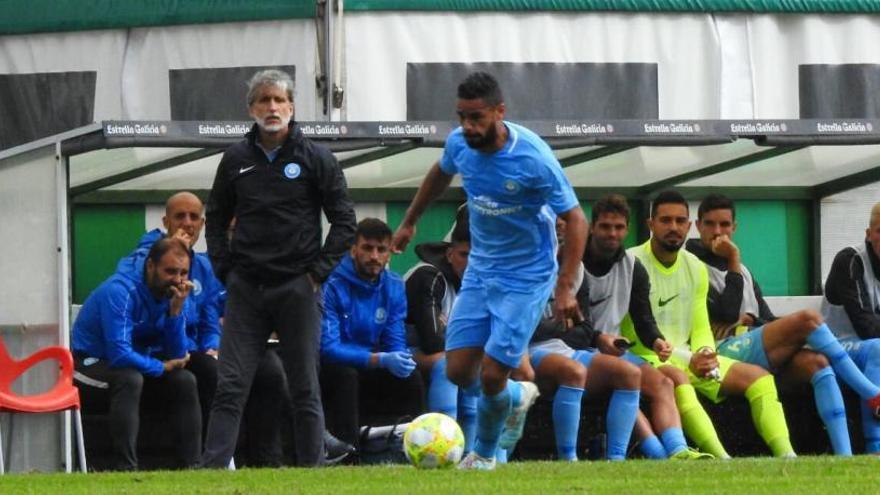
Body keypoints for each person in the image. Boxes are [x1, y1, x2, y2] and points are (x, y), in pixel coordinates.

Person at [391, 71, 588, 470]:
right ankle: (516, 397)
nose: (467, 126)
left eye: (476, 117)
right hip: (482, 268)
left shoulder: (532, 157)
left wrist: (565, 287)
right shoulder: (459, 144)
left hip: (527, 276)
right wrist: (411, 220)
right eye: (461, 116)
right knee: (460, 371)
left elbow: (577, 219)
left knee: (495, 373)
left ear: (500, 112)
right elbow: (440, 171)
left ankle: (482, 454)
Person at [201, 69, 357, 468]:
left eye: (279, 100)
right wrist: (224, 269)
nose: (271, 108)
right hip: (247, 289)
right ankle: (212, 469)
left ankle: (311, 470)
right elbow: (216, 218)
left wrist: (317, 274)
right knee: (231, 383)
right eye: (263, 101)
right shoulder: (235, 159)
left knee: (305, 386)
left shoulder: (316, 158)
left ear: (292, 106)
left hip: (298, 287)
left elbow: (344, 223)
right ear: (251, 109)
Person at [688, 193, 880, 456]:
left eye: (724, 225)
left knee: (818, 363)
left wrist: (754, 320)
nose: (717, 232)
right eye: (709, 224)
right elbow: (727, 310)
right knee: (808, 320)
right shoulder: (694, 265)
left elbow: (765, 316)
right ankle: (873, 394)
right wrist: (733, 258)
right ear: (698, 227)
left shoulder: (742, 270)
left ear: (735, 227)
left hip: (754, 345)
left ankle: (844, 456)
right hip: (721, 355)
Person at [117, 191, 289, 466]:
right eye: (180, 216)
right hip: (163, 350)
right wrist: (170, 246)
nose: (187, 223)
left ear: (203, 224)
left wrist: (214, 344)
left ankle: (266, 459)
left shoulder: (205, 267)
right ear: (166, 221)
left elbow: (210, 315)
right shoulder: (144, 256)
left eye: (194, 217)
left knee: (269, 367)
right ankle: (222, 456)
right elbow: (131, 283)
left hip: (197, 349)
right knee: (211, 371)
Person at [623, 190, 795, 458]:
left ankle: (788, 456)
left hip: (687, 357)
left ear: (688, 226)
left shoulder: (695, 266)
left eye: (680, 221)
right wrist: (689, 357)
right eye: (665, 220)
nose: (673, 227)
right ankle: (721, 458)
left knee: (760, 379)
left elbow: (701, 326)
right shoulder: (630, 262)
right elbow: (636, 331)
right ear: (650, 224)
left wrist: (705, 354)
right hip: (646, 357)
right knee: (679, 378)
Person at [570, 194, 711, 460]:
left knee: (664, 383)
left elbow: (643, 319)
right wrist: (599, 338)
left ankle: (679, 450)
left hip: (613, 352)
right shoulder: (572, 264)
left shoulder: (633, 267)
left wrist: (657, 341)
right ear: (592, 227)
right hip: (575, 350)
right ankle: (652, 453)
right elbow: (571, 325)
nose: (612, 233)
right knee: (625, 377)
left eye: (619, 227)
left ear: (627, 228)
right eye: (605, 226)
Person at [72, 237, 200, 470]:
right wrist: (160, 367)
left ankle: (191, 467)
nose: (178, 280)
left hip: (132, 366)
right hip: (88, 365)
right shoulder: (120, 291)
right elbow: (119, 354)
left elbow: (178, 354)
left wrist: (175, 311)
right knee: (129, 378)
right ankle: (125, 468)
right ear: (150, 266)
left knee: (184, 380)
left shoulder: (177, 293)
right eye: (170, 271)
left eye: (183, 272)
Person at [528, 214, 641, 461]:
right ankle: (569, 459)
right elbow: (524, 329)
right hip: (527, 351)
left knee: (630, 373)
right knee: (574, 372)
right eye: (553, 219)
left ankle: (617, 460)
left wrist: (555, 327)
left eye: (564, 219)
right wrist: (562, 325)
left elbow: (585, 331)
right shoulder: (525, 266)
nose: (559, 225)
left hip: (563, 347)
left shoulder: (576, 269)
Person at [320, 218, 425, 448]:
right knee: (344, 375)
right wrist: (379, 359)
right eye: (367, 248)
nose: (374, 256)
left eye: (381, 249)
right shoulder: (330, 283)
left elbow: (395, 340)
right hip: (333, 365)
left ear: (390, 253)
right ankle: (349, 455)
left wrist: (400, 359)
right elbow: (328, 348)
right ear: (353, 249)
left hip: (372, 361)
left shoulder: (394, 285)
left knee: (411, 376)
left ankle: (414, 446)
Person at [823, 201, 880, 453]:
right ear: (869, 234)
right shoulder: (851, 260)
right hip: (837, 347)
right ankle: (875, 445)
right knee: (878, 348)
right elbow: (867, 327)